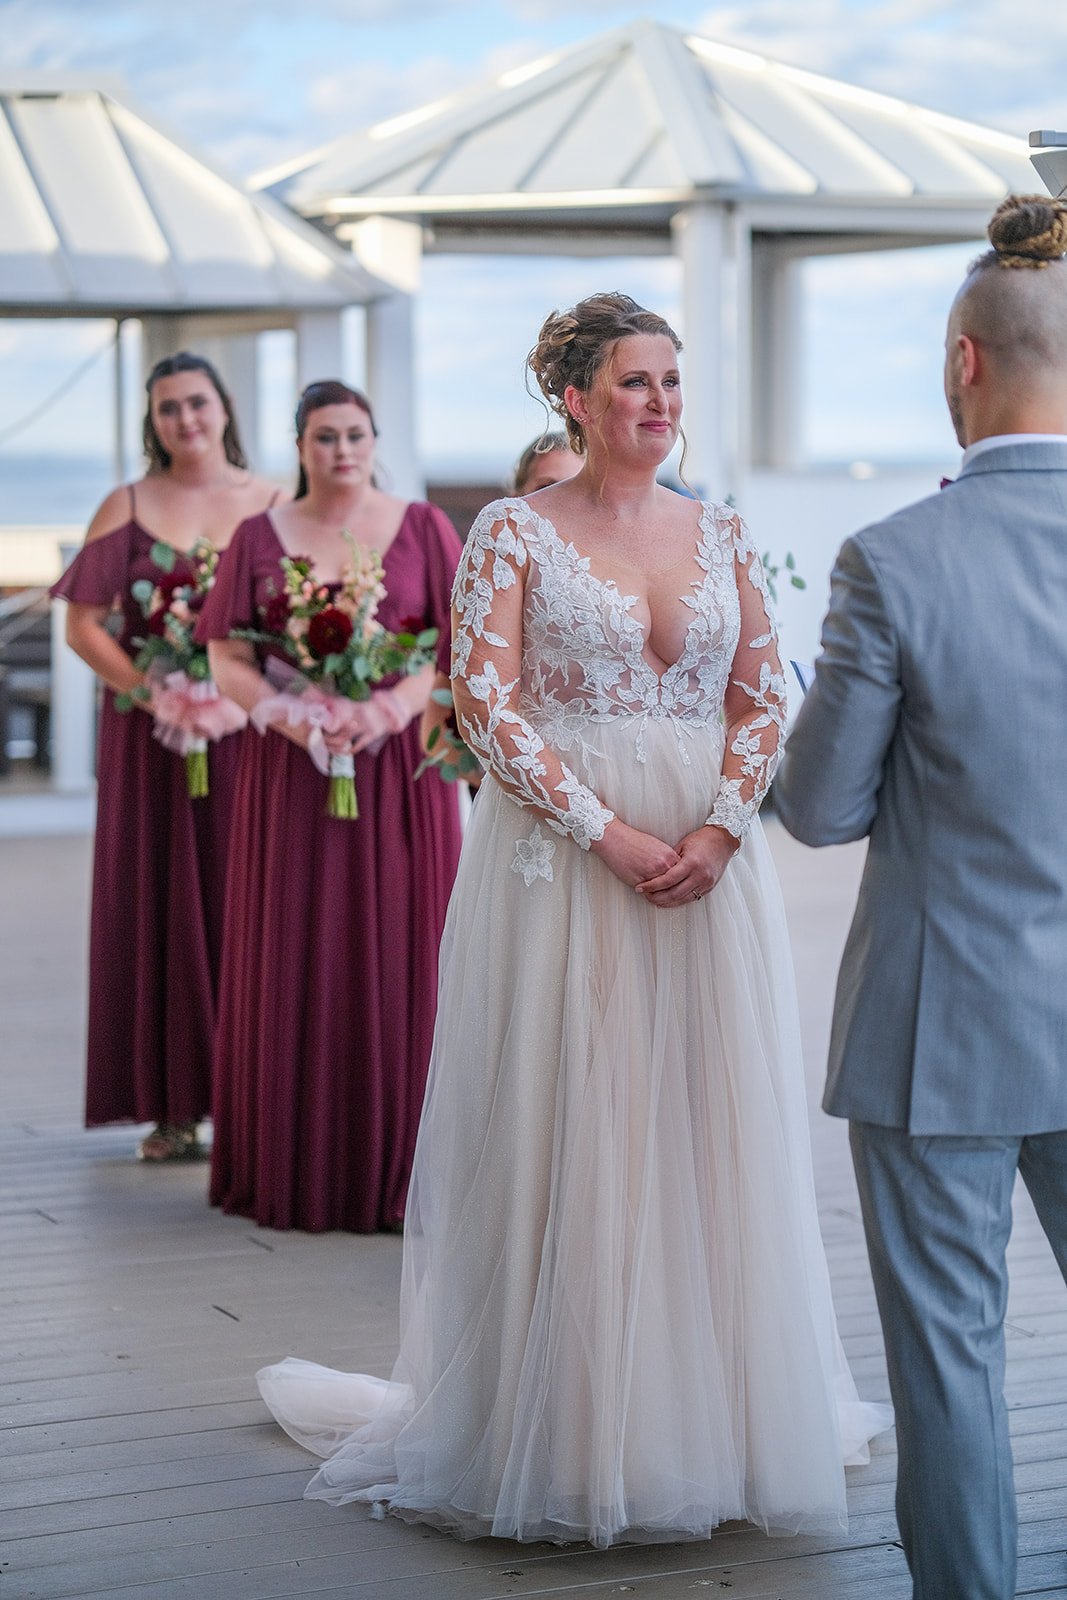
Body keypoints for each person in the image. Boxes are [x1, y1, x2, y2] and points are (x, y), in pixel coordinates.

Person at [256, 295, 890, 1542]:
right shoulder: (511, 529)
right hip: (566, 861)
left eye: (670, 380)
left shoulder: (720, 533)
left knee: (702, 1126)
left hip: (706, 866)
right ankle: (566, 1422)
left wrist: (718, 825)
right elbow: (487, 704)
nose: (658, 401)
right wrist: (608, 831)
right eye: (634, 382)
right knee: (578, 1120)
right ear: (576, 400)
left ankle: (716, 1416)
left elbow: (766, 692)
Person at [773, 194, 1067, 1600]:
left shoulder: (891, 558)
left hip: (936, 1022)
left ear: (962, 361)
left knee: (950, 1357)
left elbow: (820, 808)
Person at [198, 380, 463, 1233]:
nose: (341, 450)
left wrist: (385, 709)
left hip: (398, 776)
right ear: (299, 445)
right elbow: (226, 654)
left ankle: (402, 1172)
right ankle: (292, 1162)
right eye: (323, 437)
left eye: (354, 434)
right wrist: (284, 712)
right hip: (291, 777)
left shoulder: (425, 529)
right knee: (294, 949)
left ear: (375, 438)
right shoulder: (256, 536)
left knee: (401, 952)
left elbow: (458, 650)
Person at [50, 352, 281, 1161]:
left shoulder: (276, 502)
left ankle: (255, 1098)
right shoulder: (128, 504)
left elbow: (299, 616)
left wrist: (239, 690)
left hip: (252, 738)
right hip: (152, 742)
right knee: (161, 902)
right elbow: (82, 624)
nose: (185, 420)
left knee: (254, 902)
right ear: (153, 422)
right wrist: (155, 693)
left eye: (197, 403)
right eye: (168, 409)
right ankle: (173, 1105)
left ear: (225, 409)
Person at [418, 431, 583, 773]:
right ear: (516, 498)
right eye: (546, 489)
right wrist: (500, 784)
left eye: (574, 487)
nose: (562, 503)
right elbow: (433, 730)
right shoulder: (487, 596)